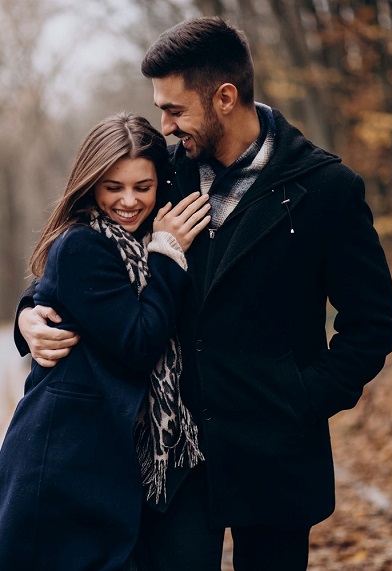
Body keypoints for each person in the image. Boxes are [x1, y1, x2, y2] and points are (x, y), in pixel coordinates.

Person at [15, 17, 392, 571]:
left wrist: (304, 398)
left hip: (275, 455)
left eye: (175, 109)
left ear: (224, 97)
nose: (165, 125)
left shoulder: (326, 189)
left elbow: (373, 324)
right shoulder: (162, 174)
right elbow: (86, 252)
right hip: (174, 462)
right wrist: (30, 314)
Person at [1, 111, 211, 571]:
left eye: (143, 186)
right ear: (90, 184)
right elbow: (138, 342)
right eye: (113, 187)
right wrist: (168, 257)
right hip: (65, 468)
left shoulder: (142, 240)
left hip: (123, 463)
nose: (129, 201)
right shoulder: (85, 244)